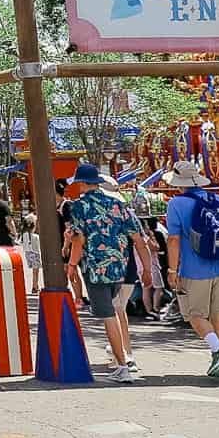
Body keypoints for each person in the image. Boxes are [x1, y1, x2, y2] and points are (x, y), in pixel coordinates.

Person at [65, 163, 144, 383]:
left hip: (96, 267)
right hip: (119, 266)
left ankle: (122, 365)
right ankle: (124, 358)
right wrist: (145, 266)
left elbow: (79, 239)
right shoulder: (116, 203)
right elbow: (137, 236)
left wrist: (72, 265)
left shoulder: (78, 206)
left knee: (108, 315)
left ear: (81, 183)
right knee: (115, 311)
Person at [163, 161, 219, 377]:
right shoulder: (218, 199)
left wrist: (171, 270)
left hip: (194, 268)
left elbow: (174, 240)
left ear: (179, 183)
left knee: (194, 314)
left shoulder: (176, 204)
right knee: (217, 315)